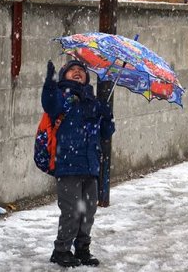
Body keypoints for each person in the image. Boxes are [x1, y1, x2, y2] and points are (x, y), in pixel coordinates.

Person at [42, 60, 115, 267]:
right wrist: (50, 82)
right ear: (64, 75)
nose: (77, 73)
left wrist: (107, 117)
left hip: (90, 166)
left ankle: (82, 248)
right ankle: (61, 250)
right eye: (72, 70)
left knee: (88, 211)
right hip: (68, 165)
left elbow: (105, 134)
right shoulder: (61, 97)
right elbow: (48, 104)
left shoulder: (92, 101)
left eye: (81, 71)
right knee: (72, 210)